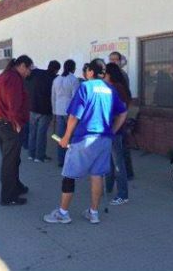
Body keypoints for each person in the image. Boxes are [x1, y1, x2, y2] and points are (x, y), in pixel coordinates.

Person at [43, 59, 127, 224]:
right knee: (97, 175)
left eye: (86, 69)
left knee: (69, 175)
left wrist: (66, 137)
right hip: (104, 140)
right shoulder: (110, 89)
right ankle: (94, 213)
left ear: (90, 72)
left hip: (84, 139)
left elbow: (74, 116)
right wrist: (113, 131)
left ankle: (63, 213)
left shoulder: (85, 87)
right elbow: (123, 113)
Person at [0, 55, 33, 206]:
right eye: (29, 69)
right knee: (10, 162)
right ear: (22, 65)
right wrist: (16, 123)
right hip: (9, 125)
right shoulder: (13, 78)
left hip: (1, 123)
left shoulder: (4, 75)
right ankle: (8, 196)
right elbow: (13, 103)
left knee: (13, 159)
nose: (29, 73)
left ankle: (16, 186)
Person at [103, 63, 131, 205]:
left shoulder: (117, 88)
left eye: (105, 74)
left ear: (110, 74)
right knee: (110, 161)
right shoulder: (115, 87)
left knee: (118, 163)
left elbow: (121, 112)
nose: (103, 76)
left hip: (116, 131)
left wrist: (113, 130)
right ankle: (107, 188)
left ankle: (122, 194)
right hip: (111, 130)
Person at [109, 51, 135, 180]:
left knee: (122, 145)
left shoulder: (121, 76)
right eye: (111, 59)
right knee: (119, 146)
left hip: (121, 114)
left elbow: (125, 96)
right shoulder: (111, 76)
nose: (113, 61)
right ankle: (121, 172)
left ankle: (127, 173)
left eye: (115, 59)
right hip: (116, 114)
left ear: (120, 61)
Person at [28, 60, 60, 162]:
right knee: (41, 134)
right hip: (45, 110)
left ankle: (31, 154)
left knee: (33, 132)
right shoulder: (55, 79)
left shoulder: (38, 73)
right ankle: (39, 156)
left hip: (33, 107)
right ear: (56, 70)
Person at [51, 59, 80, 167]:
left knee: (60, 136)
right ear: (73, 68)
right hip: (69, 111)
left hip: (58, 110)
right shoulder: (74, 80)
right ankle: (71, 159)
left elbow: (53, 97)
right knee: (70, 135)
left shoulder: (57, 79)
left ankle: (61, 160)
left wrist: (54, 111)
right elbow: (75, 98)